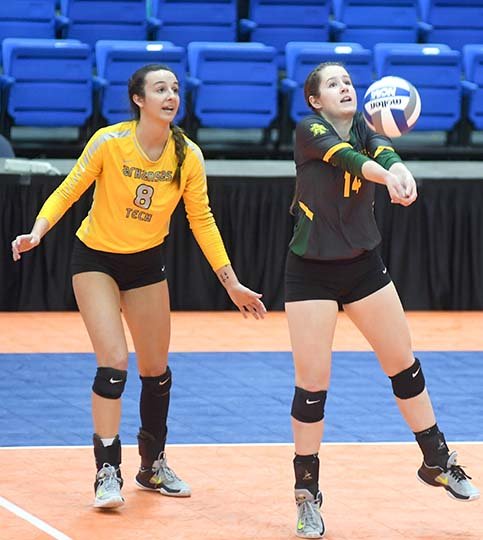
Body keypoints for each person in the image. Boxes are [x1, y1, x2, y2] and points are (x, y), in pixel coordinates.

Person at [11, 63, 266, 509]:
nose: (171, 95)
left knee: (156, 370)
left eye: (175, 89)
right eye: (160, 89)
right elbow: (70, 189)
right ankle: (107, 470)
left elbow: (201, 220)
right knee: (113, 363)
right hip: (96, 258)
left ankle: (152, 465)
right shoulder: (110, 142)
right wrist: (38, 231)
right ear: (138, 99)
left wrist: (232, 283)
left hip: (146, 264)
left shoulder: (188, 155)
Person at [285, 62, 479, 539]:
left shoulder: (368, 129)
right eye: (333, 84)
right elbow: (354, 161)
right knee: (312, 386)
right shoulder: (310, 129)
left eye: (348, 81)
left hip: (362, 266)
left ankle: (437, 460)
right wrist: (385, 175)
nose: (345, 87)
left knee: (404, 365)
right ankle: (307, 495)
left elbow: (385, 153)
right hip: (311, 272)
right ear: (315, 99)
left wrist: (401, 171)